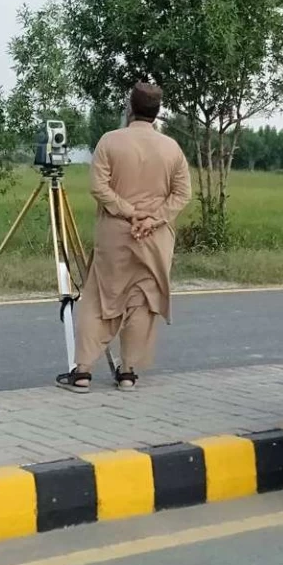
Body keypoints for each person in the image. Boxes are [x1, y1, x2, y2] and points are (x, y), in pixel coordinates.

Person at [56, 82, 191, 393]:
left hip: (115, 233)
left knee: (101, 297)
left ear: (130, 107)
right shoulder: (171, 148)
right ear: (157, 113)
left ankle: (82, 372)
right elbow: (182, 193)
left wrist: (129, 213)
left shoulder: (110, 141)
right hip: (155, 238)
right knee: (143, 301)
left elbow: (98, 188)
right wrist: (152, 219)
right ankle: (128, 372)